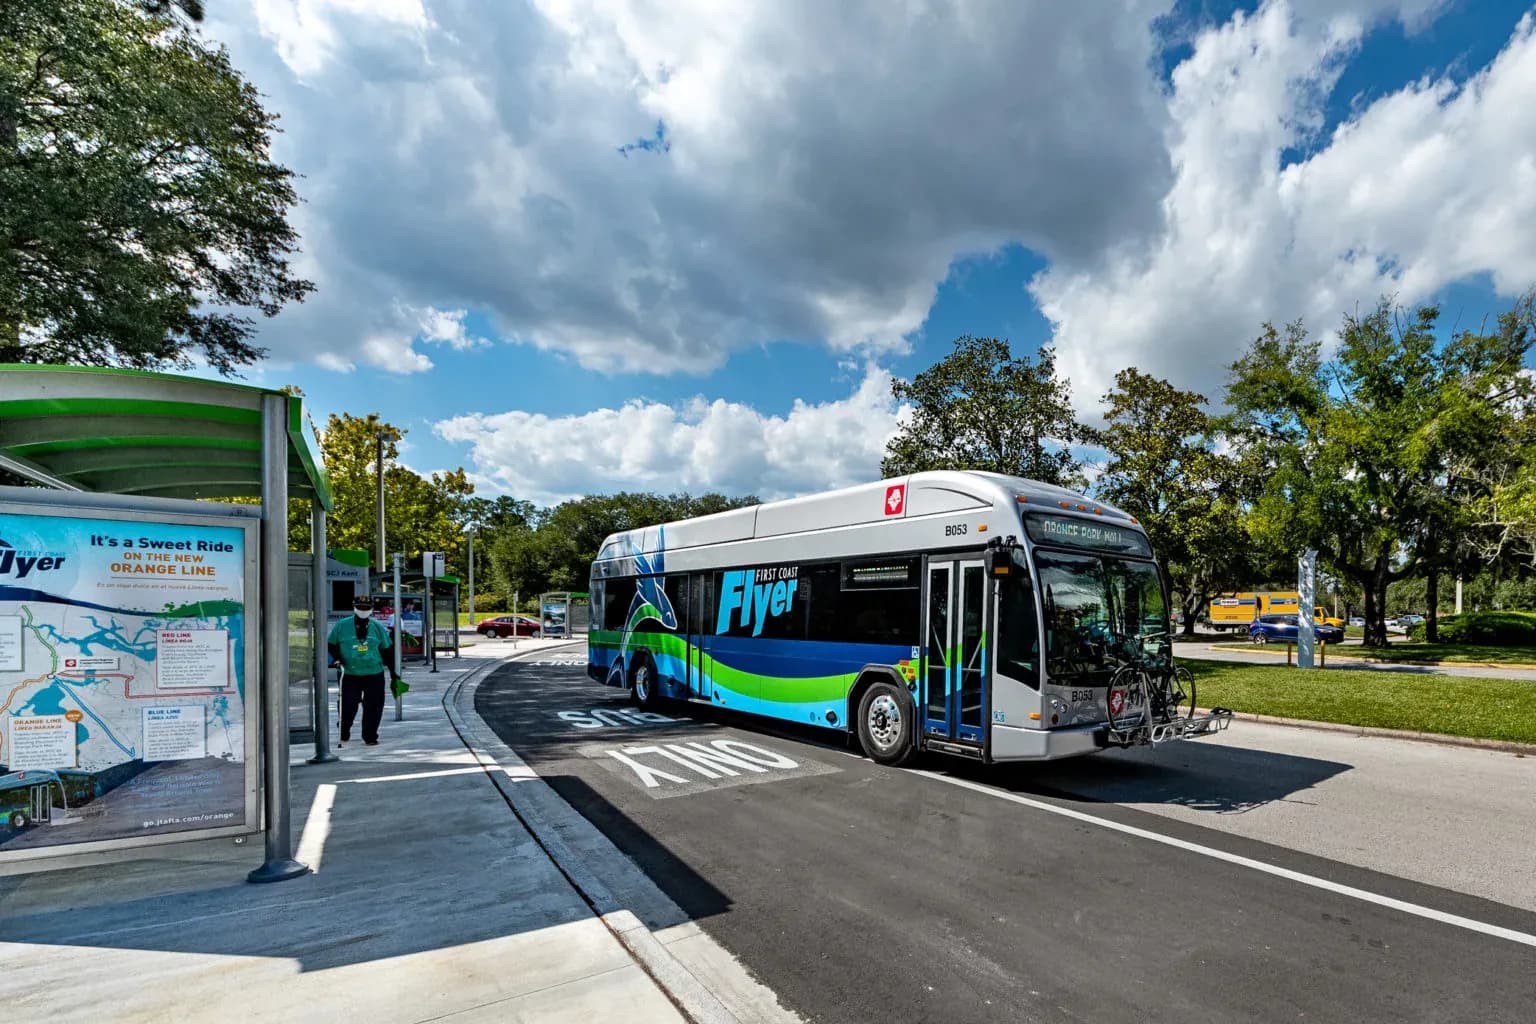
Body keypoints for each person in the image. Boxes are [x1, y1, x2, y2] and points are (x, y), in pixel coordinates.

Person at [327, 594, 402, 746]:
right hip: (349, 673)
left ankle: (370, 735)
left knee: (374, 706)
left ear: (371, 610)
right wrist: (337, 658)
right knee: (348, 705)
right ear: (354, 608)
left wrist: (394, 673)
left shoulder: (377, 627)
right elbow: (331, 645)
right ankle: (344, 728)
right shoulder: (341, 626)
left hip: (374, 673)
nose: (363, 610)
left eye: (366, 608)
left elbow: (388, 651)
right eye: (360, 608)